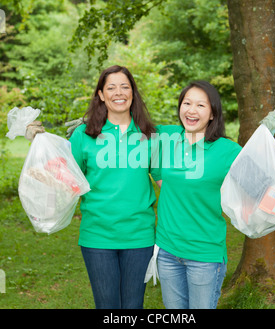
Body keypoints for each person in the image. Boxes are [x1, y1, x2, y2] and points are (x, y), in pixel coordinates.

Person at [26, 65, 161, 309]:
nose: (118, 93)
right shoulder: (84, 134)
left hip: (139, 235)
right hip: (97, 236)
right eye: (111, 87)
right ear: (100, 94)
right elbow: (64, 178)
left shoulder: (149, 135)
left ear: (133, 92)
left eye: (124, 87)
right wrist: (40, 145)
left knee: (133, 307)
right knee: (107, 307)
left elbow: (167, 182)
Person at [152, 80, 242, 309]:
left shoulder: (227, 150)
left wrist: (265, 141)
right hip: (167, 251)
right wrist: (90, 125)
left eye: (201, 105)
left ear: (213, 114)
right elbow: (130, 125)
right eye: (187, 103)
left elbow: (260, 183)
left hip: (205, 255)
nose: (191, 110)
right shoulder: (168, 138)